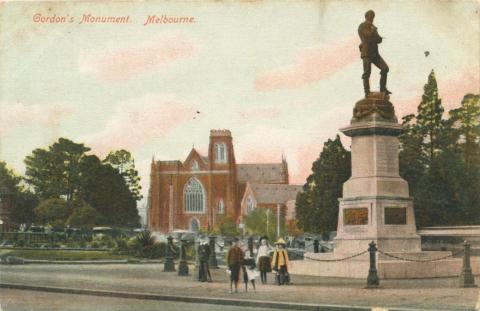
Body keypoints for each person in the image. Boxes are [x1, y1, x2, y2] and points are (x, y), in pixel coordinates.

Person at [358, 10, 391, 97]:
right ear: (367, 16)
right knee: (367, 72)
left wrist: (375, 36)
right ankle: (367, 92)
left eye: (373, 17)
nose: (372, 18)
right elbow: (367, 35)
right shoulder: (362, 26)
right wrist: (373, 32)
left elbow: (379, 39)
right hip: (366, 53)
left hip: (375, 53)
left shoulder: (373, 27)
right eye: (371, 16)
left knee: (385, 68)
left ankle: (382, 89)